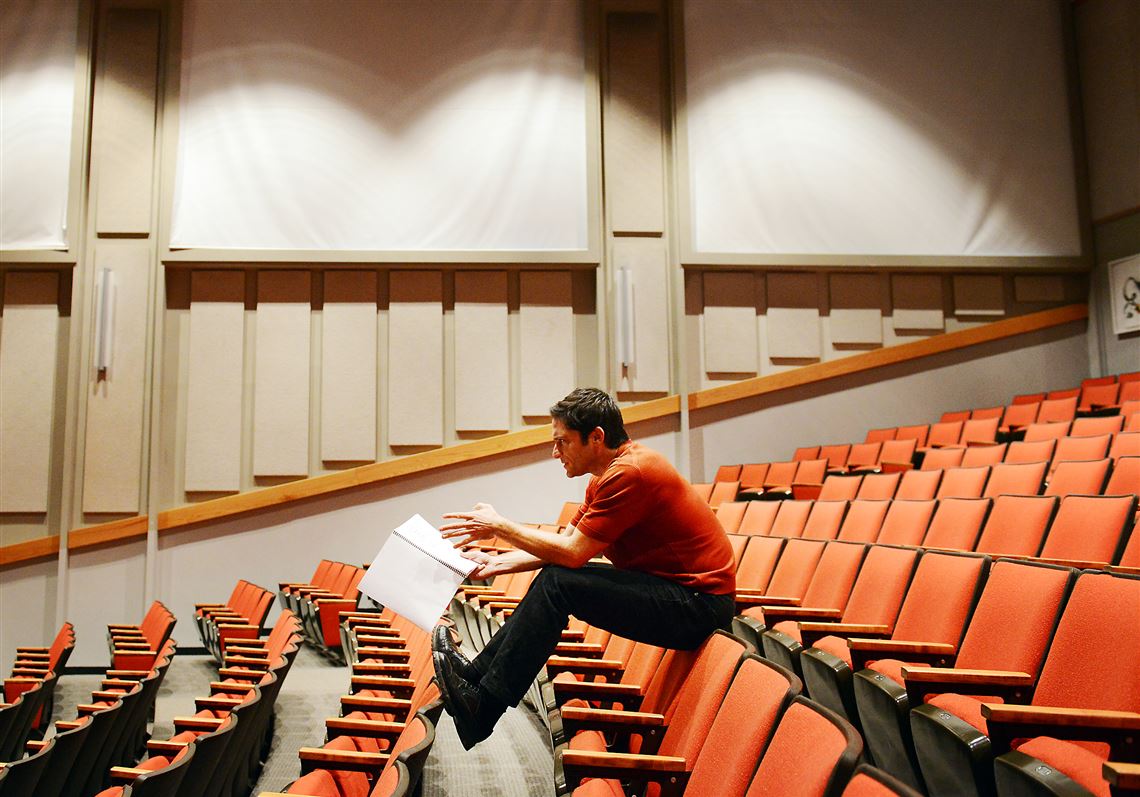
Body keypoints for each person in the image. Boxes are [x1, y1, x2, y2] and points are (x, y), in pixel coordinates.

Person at [431, 387, 737, 749]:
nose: (555, 452)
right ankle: (474, 682)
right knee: (557, 579)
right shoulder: (606, 477)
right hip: (675, 593)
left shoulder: (632, 473)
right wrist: (499, 561)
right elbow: (568, 543)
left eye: (562, 442)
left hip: (699, 605)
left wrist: (500, 527)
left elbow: (573, 554)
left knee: (559, 583)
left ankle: (483, 706)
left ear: (596, 437)